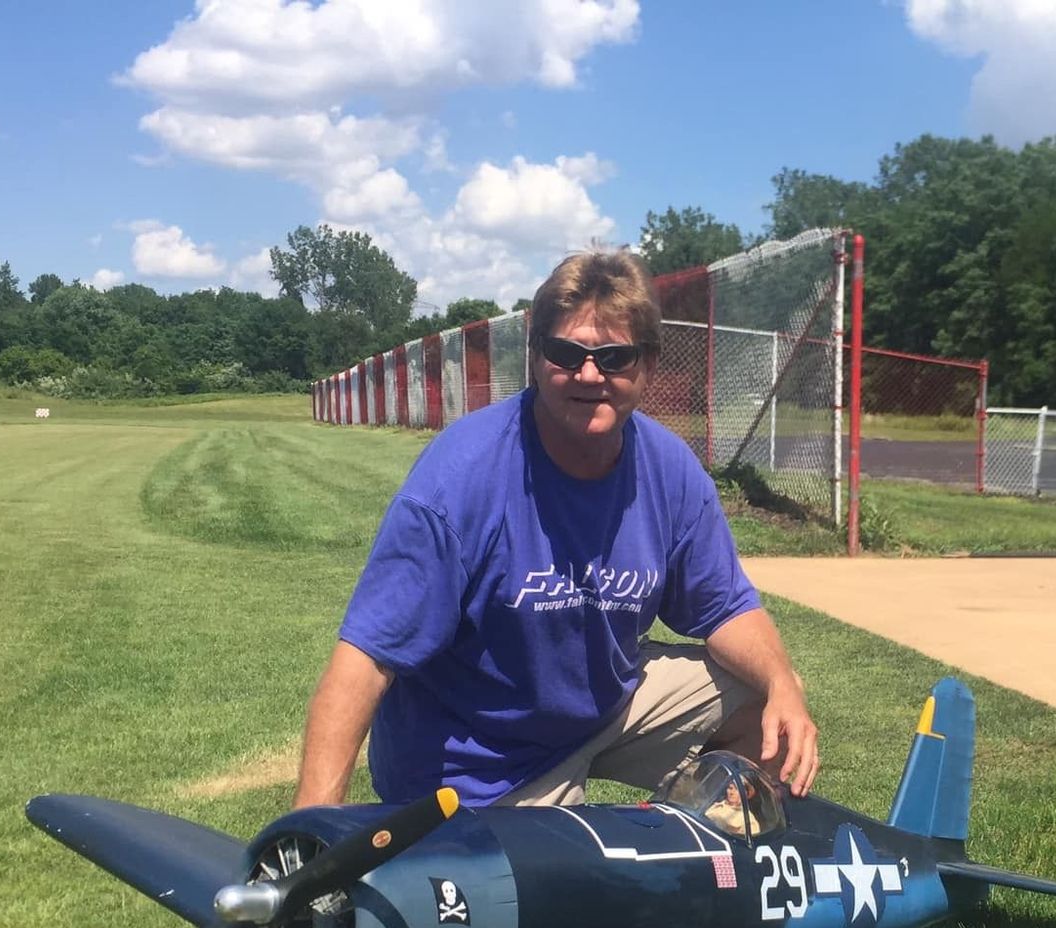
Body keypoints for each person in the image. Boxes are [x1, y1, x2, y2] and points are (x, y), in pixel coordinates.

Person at [292, 249, 818, 812]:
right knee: (551, 874)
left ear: (648, 365)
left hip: (606, 707)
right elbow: (366, 658)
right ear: (537, 358)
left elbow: (726, 607)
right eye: (567, 353)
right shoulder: (460, 478)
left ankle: (679, 840)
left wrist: (783, 685)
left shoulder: (670, 470)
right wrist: (310, 829)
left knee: (764, 698)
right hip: (480, 765)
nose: (589, 375)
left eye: (614, 357)